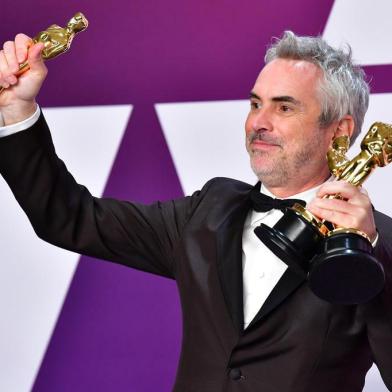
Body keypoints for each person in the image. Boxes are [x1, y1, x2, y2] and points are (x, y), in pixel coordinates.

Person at [0, 31, 391, 391]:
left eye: (284, 108)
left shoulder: (380, 242)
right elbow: (71, 219)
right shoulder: (209, 211)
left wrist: (373, 253)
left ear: (339, 130)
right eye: (255, 103)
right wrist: (18, 110)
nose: (258, 122)